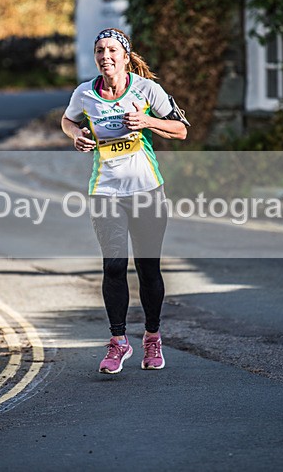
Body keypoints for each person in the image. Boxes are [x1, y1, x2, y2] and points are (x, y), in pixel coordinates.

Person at [60, 28, 188, 374]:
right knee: (114, 265)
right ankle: (118, 342)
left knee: (148, 269)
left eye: (112, 50)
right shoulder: (85, 93)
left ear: (126, 56)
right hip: (105, 191)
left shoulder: (147, 90)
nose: (105, 56)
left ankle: (152, 337)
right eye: (100, 50)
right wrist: (78, 135)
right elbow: (68, 120)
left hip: (147, 190)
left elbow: (181, 129)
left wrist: (145, 120)